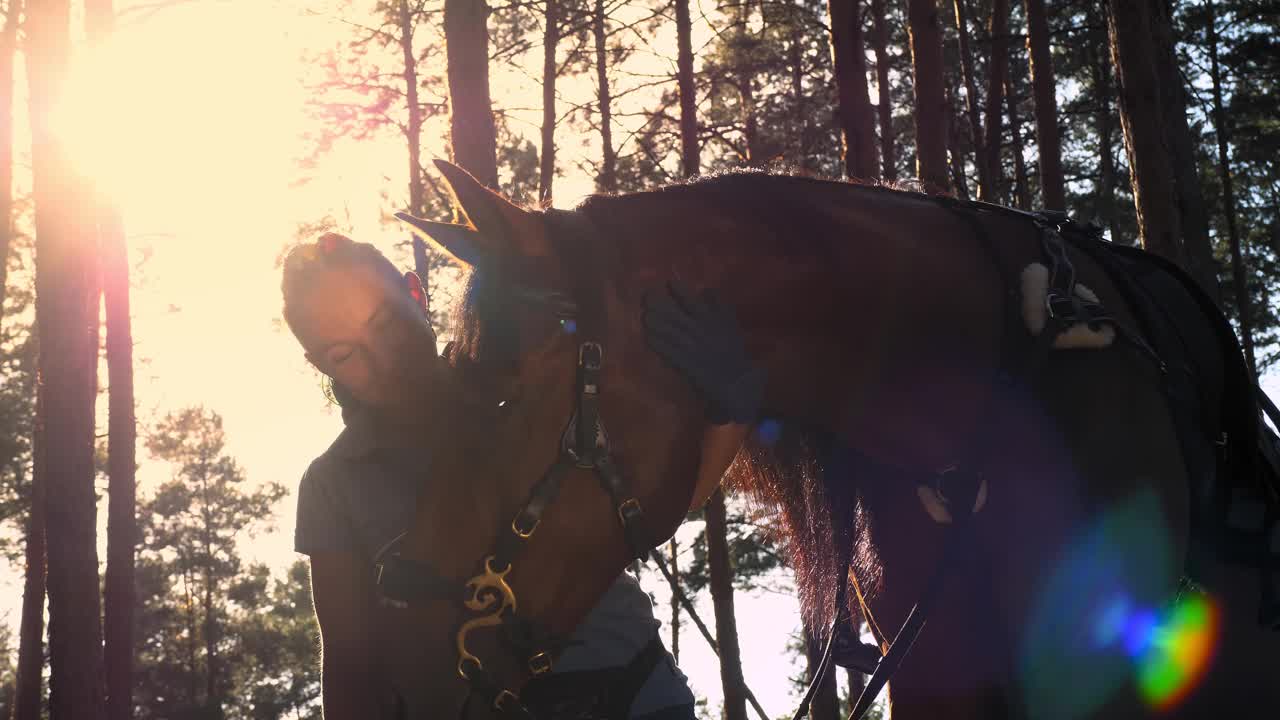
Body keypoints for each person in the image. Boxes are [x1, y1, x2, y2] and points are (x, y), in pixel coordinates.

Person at [280, 232, 763, 719]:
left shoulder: (529, 385)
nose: (382, 361)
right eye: (344, 354)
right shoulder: (334, 484)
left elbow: (657, 505)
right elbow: (350, 666)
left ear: (415, 292)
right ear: (319, 364)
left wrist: (732, 410)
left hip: (638, 698)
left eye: (384, 325)